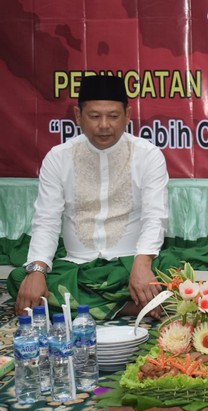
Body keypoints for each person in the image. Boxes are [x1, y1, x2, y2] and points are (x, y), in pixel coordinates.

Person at [8, 75, 169, 320]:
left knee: (177, 276)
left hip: (129, 264)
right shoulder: (58, 157)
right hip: (77, 266)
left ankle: (84, 307)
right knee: (20, 279)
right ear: (78, 115)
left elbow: (155, 217)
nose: (104, 125)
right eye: (94, 116)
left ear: (128, 114)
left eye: (113, 116)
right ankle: (128, 306)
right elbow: (46, 221)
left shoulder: (148, 155)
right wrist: (38, 270)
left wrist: (143, 263)